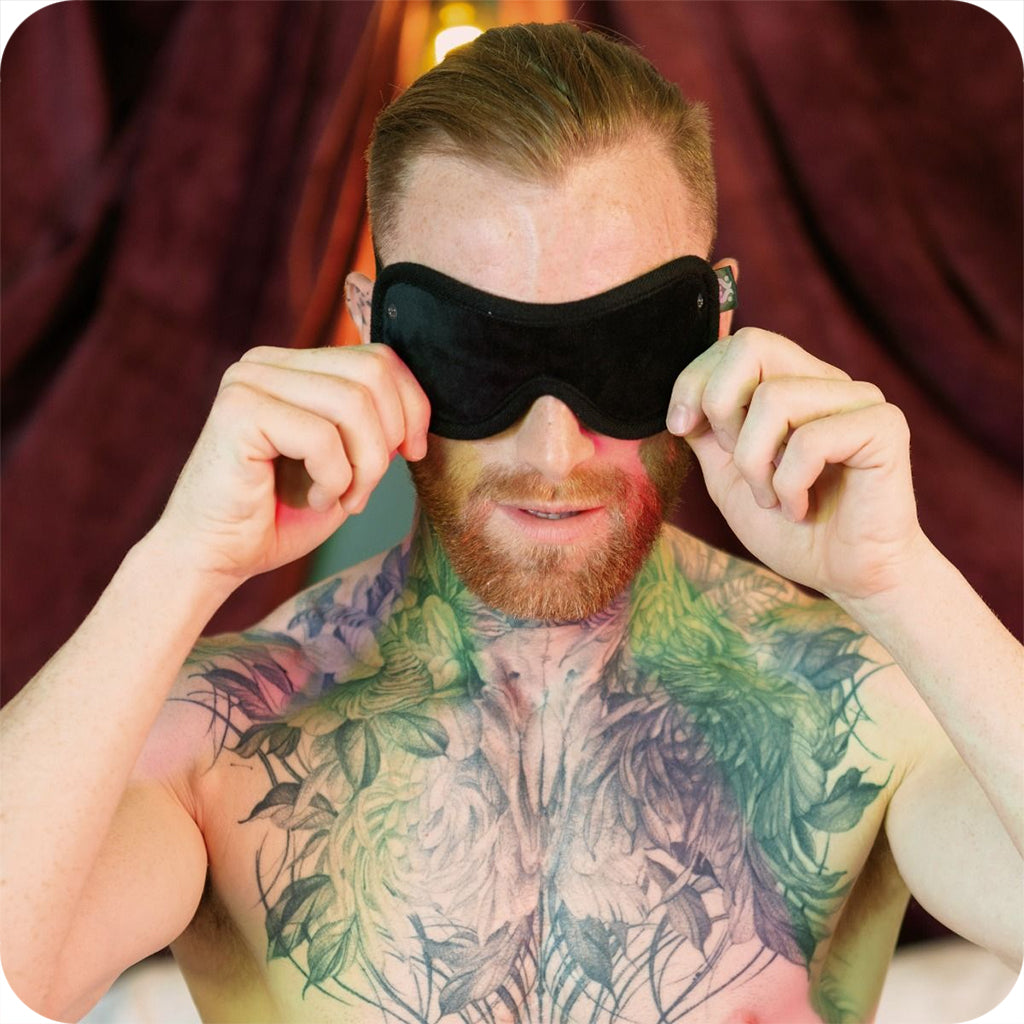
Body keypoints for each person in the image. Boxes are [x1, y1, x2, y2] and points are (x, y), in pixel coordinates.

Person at [1, 20, 1020, 1024]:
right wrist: (178, 561)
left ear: (713, 325)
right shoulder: (225, 744)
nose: (553, 449)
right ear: (371, 332)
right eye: (478, 352)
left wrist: (898, 578)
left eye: (619, 352)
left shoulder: (855, 715)